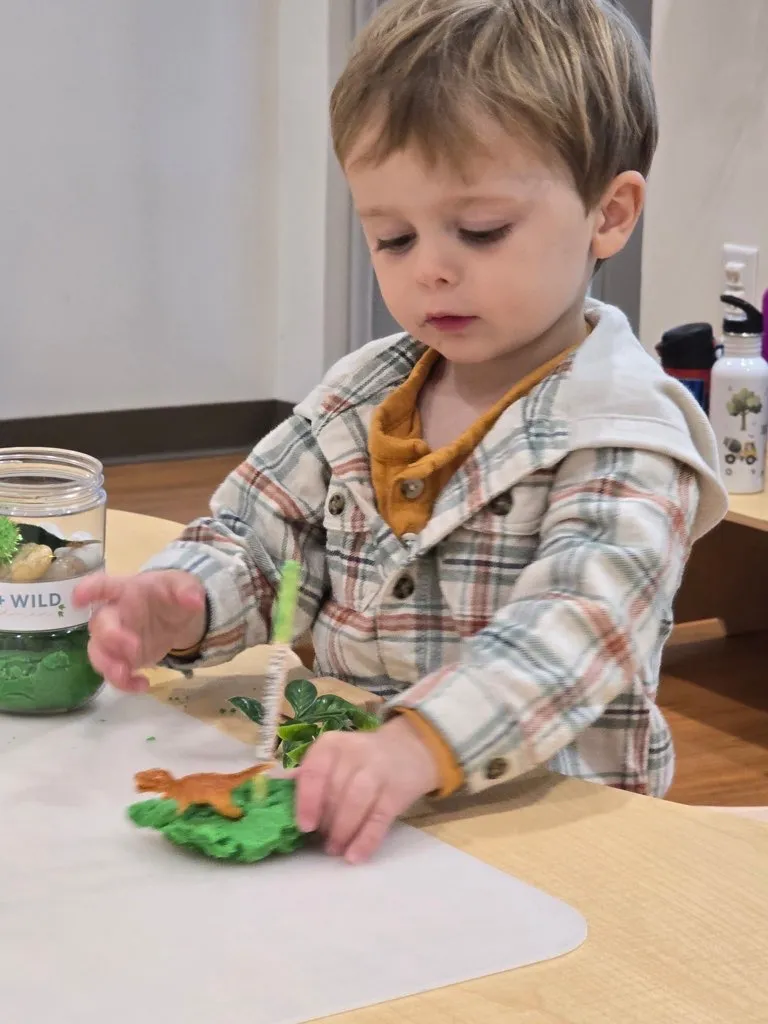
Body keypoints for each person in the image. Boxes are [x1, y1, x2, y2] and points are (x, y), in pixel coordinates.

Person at [74, 0, 727, 863]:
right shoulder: (363, 394)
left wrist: (417, 744)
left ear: (609, 214)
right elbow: (259, 539)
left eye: (481, 230)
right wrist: (185, 601)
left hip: (553, 832)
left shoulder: (625, 428)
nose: (430, 267)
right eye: (391, 237)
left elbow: (577, 629)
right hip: (357, 808)